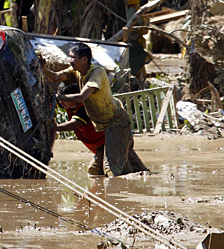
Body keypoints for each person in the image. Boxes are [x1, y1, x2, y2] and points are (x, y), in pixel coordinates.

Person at [42, 42, 148, 177]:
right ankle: (146, 182)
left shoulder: (97, 73)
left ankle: (117, 195)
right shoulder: (76, 72)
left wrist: (57, 97)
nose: (70, 60)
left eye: (73, 57)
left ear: (84, 59)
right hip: (107, 126)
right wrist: (42, 67)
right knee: (131, 164)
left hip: (115, 123)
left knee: (111, 167)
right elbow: (55, 77)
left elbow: (82, 96)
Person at [55, 83, 105, 176]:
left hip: (106, 143)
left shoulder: (85, 107)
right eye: (60, 99)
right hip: (98, 146)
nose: (61, 102)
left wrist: (54, 128)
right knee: (133, 166)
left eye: (64, 99)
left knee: (95, 171)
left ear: (74, 97)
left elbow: (73, 125)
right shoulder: (66, 104)